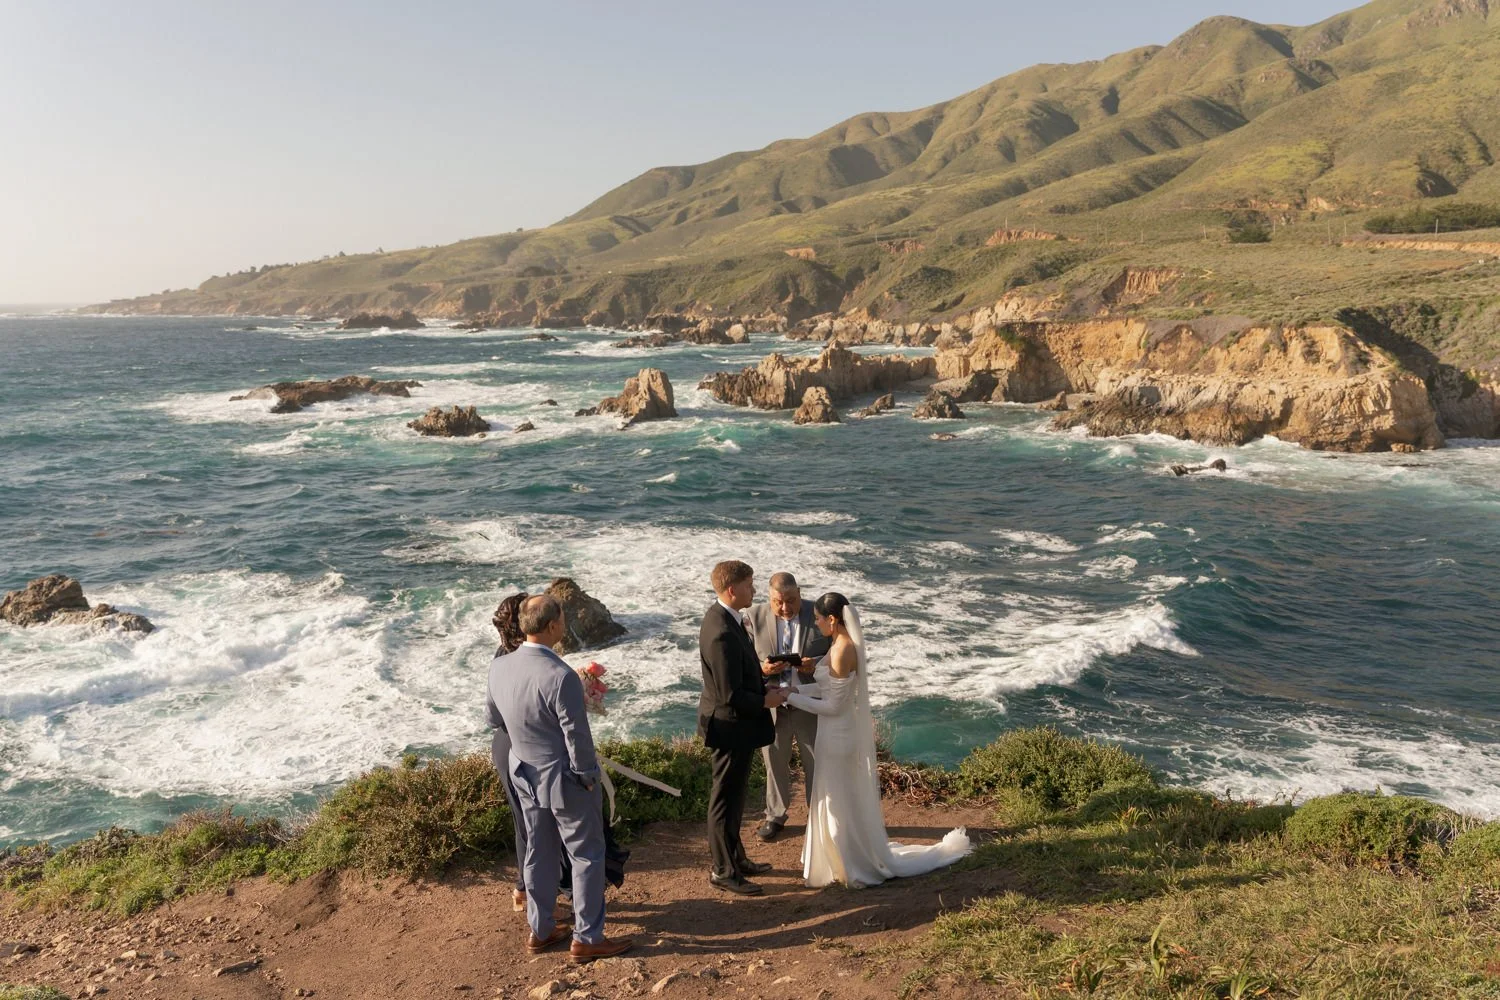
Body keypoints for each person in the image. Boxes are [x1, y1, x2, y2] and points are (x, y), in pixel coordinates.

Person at [784, 593, 971, 888]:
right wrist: (789, 694)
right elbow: (827, 692)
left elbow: (834, 706)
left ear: (832, 620)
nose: (816, 624)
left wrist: (791, 696)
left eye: (818, 619)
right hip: (832, 734)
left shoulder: (842, 650)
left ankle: (849, 864)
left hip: (837, 736)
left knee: (838, 799)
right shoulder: (838, 644)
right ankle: (838, 859)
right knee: (833, 796)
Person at [489, 595, 632, 962]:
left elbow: (494, 719)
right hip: (564, 778)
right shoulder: (561, 675)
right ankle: (587, 937)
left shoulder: (500, 666)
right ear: (553, 626)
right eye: (563, 618)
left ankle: (541, 929)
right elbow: (577, 737)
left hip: (524, 771)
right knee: (585, 854)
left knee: (539, 851)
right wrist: (588, 776)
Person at [697, 560, 787, 896]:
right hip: (728, 728)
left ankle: (736, 858)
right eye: (750, 584)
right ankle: (723, 870)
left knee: (734, 800)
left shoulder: (728, 619)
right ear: (732, 589)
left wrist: (763, 681)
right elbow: (729, 694)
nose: (754, 590)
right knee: (724, 801)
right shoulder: (720, 631)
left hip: (736, 727)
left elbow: (737, 677)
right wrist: (768, 701)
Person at [746, 572, 831, 842]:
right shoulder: (753, 616)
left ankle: (818, 816)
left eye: (791, 601)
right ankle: (775, 815)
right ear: (768, 598)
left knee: (816, 761)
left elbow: (838, 652)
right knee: (774, 761)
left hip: (809, 702)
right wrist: (762, 669)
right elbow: (743, 661)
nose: (785, 608)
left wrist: (814, 664)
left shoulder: (819, 614)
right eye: (778, 602)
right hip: (772, 705)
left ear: (799, 592)